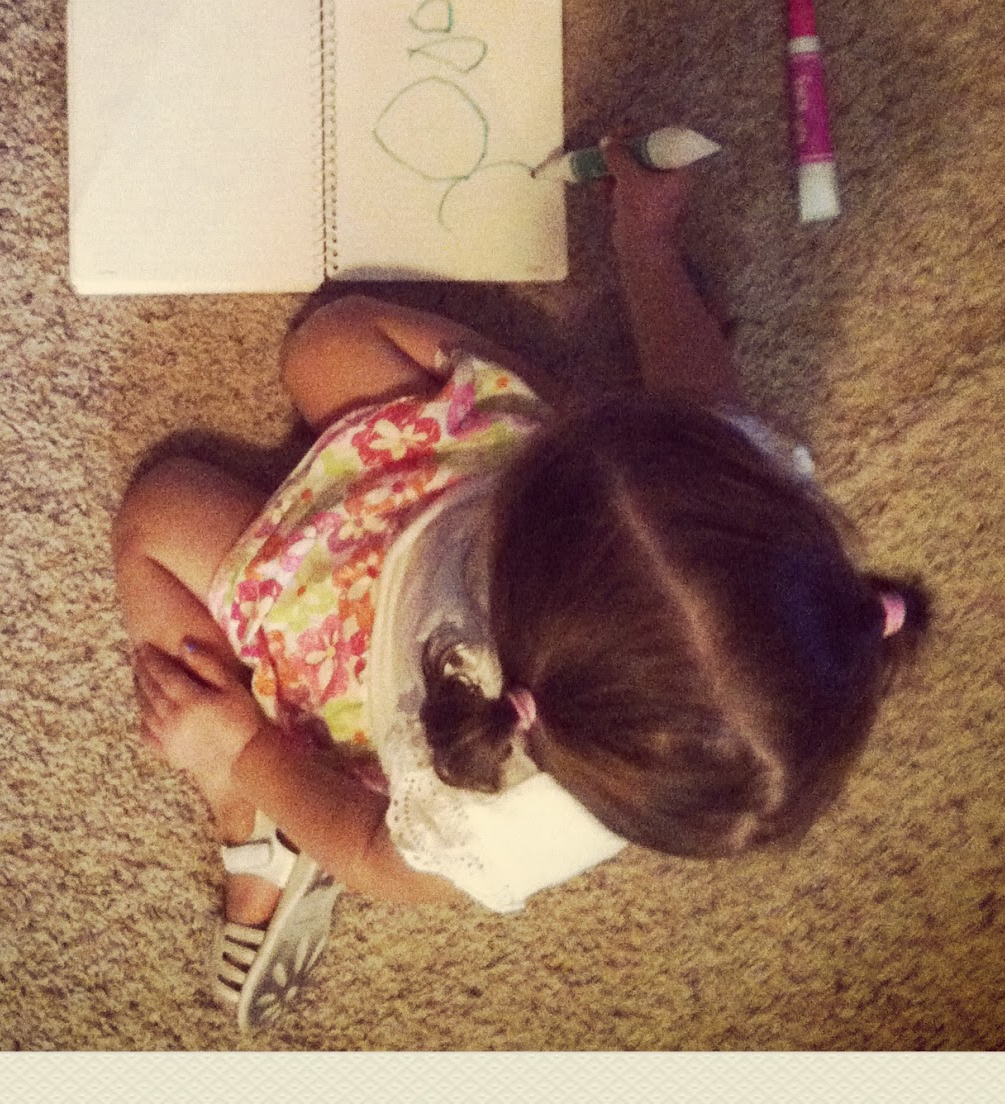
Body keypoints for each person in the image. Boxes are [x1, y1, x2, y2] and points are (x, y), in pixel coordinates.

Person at [117, 137, 927, 1031]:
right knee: (328, 340)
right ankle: (538, 444)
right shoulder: (737, 497)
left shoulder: (504, 814)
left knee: (158, 516)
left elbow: (374, 854)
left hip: (366, 646)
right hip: (469, 479)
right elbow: (699, 393)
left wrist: (242, 747)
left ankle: (249, 824)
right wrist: (646, 246)